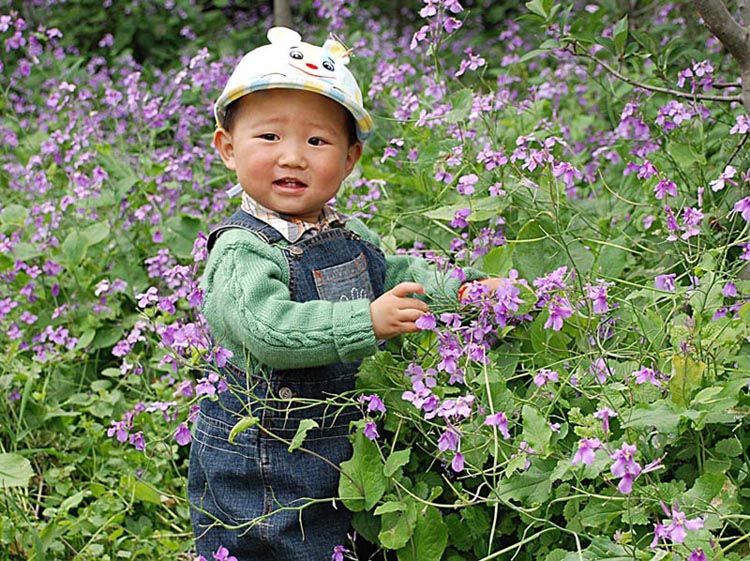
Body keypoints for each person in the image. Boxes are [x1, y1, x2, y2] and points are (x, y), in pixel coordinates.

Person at [188, 26, 501, 561]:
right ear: (227, 148)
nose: (292, 157)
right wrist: (367, 323)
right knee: (281, 545)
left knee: (355, 538)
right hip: (267, 449)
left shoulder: (347, 232)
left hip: (349, 432)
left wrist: (463, 290)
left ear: (350, 158)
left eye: (317, 141)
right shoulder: (243, 250)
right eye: (269, 138)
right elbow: (269, 330)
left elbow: (397, 274)